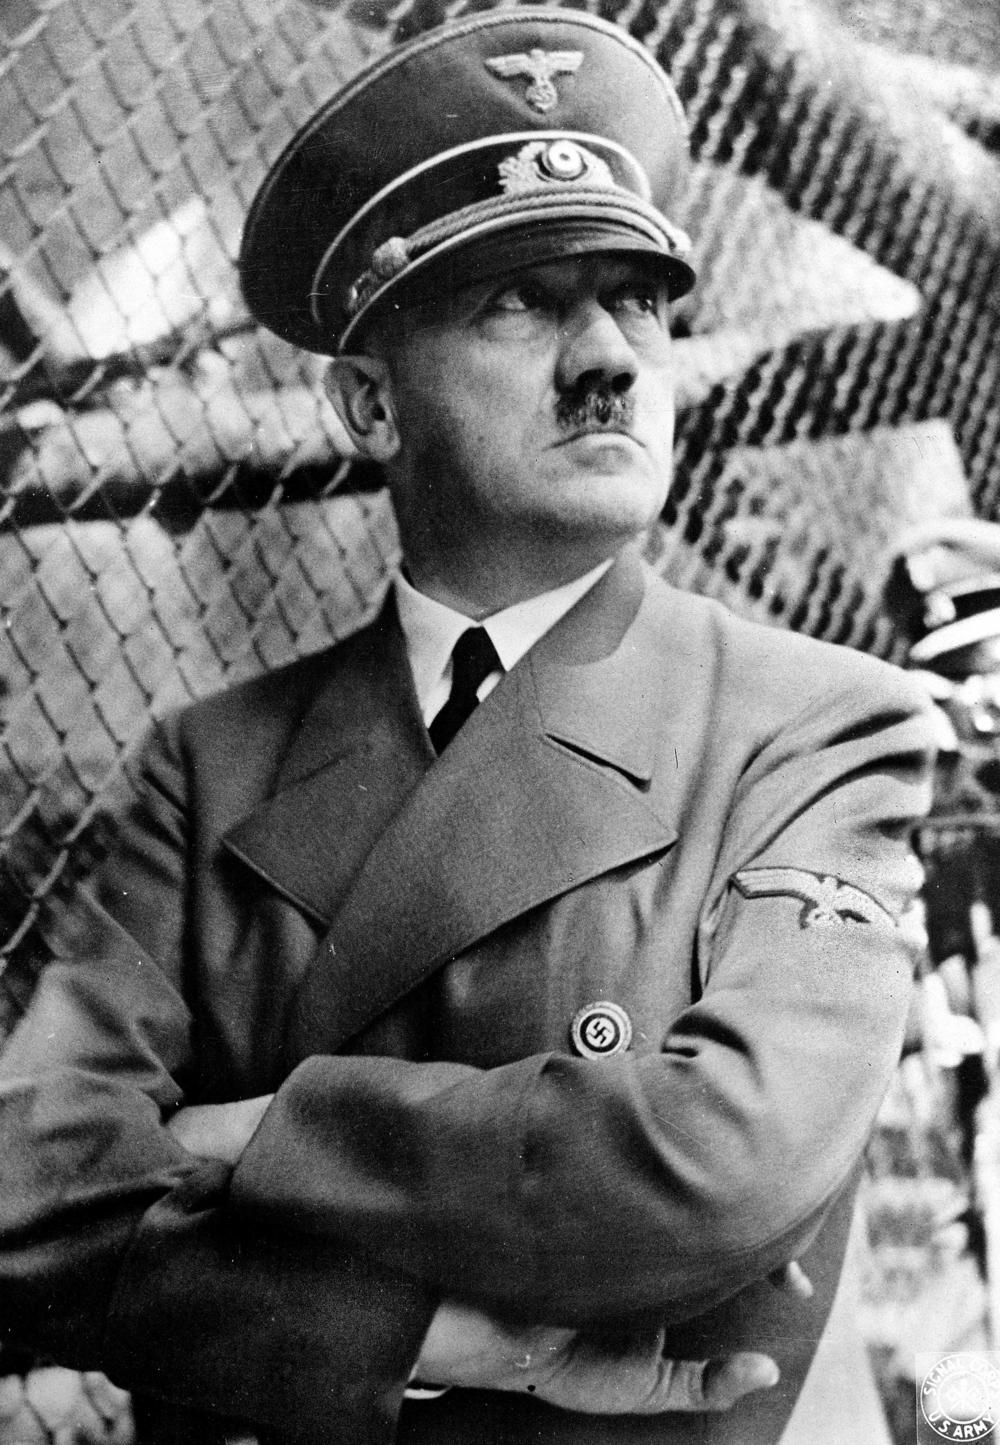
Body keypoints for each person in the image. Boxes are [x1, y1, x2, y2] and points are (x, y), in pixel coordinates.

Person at [0, 9, 936, 1444]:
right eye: (518, 302)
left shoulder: (818, 724)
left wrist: (262, 1133)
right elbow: (28, 1198)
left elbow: (715, 1164)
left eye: (638, 300)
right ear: (371, 403)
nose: (609, 357)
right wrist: (432, 1340)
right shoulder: (208, 764)